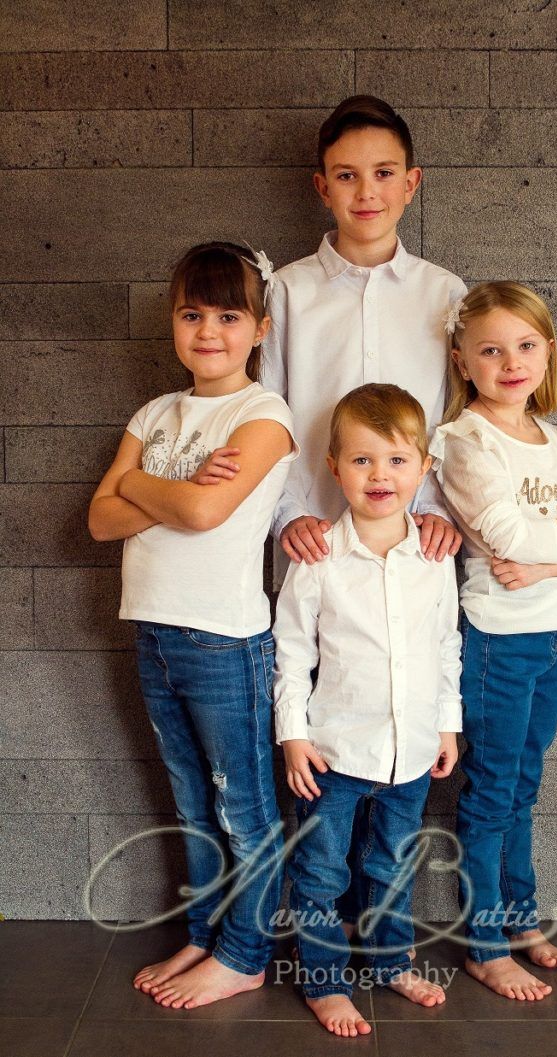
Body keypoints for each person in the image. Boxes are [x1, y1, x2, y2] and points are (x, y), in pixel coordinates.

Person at [88, 242, 298, 1010]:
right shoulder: (155, 412)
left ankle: (244, 954)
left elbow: (207, 512)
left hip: (222, 640)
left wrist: (142, 482)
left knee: (243, 809)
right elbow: (100, 519)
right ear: (174, 322)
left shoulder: (263, 415)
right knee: (191, 801)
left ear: (260, 327)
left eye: (228, 315)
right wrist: (166, 486)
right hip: (153, 633)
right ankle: (208, 932)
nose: (208, 330)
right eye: (191, 313)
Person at [430, 281, 557, 1001]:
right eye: (490, 349)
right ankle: (483, 942)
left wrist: (549, 560)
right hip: (500, 642)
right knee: (491, 790)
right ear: (462, 360)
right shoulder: (464, 441)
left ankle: (516, 917)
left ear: (547, 352)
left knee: (525, 784)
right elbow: (504, 536)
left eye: (525, 345)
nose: (510, 362)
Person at [273, 384, 462, 1037]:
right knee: (320, 870)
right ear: (333, 467)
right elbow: (290, 653)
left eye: (395, 460)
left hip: (410, 751)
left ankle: (387, 962)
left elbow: (445, 645)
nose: (379, 475)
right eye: (360, 460)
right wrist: (292, 736)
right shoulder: (317, 555)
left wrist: (446, 723)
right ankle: (323, 981)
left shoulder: (434, 558)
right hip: (332, 752)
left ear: (422, 467)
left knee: (390, 862)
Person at [260, 94, 467, 582]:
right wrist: (286, 514)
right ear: (323, 187)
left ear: (411, 183)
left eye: (385, 173)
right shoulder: (289, 290)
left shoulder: (445, 292)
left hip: (416, 538)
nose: (367, 192)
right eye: (347, 175)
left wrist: (439, 507)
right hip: (313, 538)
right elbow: (267, 413)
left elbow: (457, 417)